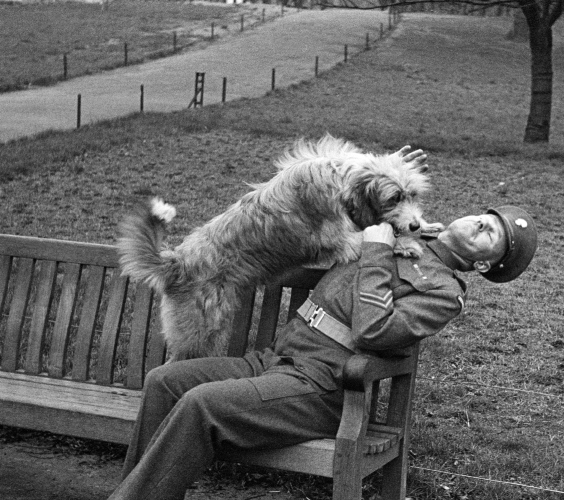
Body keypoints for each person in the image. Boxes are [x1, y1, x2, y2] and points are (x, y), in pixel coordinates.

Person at [109, 205, 537, 500]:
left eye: (491, 235)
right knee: (165, 381)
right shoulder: (402, 234)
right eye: (484, 218)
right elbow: (340, 205)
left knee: (201, 404)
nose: (481, 224)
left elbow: (373, 331)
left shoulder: (444, 293)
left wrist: (376, 250)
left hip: (321, 388)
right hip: (276, 361)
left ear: (483, 266)